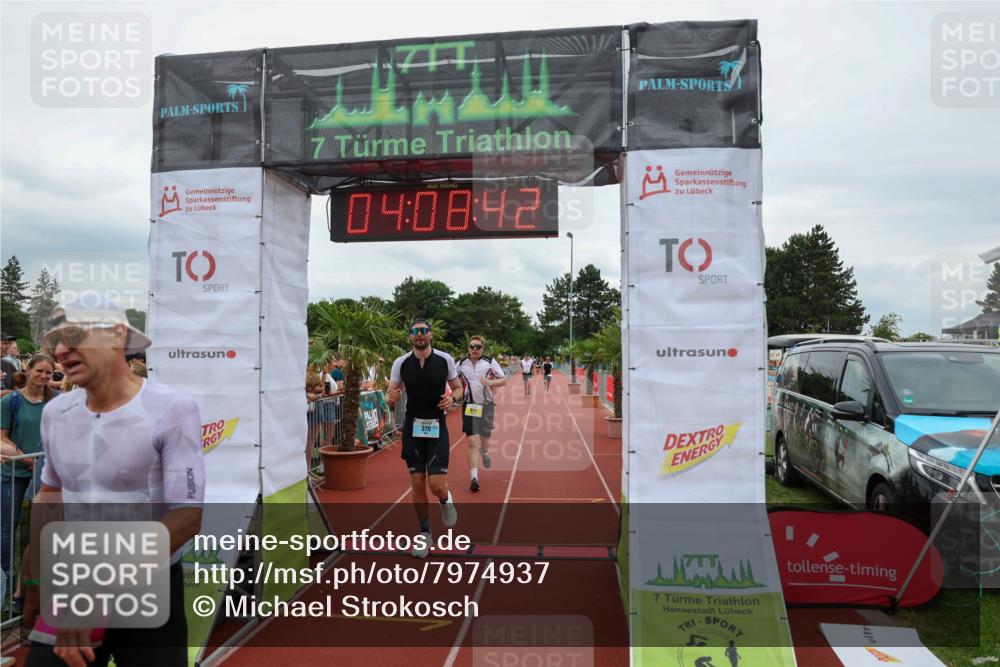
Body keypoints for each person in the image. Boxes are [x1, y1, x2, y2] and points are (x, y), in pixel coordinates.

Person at [22, 298, 204, 667]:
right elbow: (50, 494)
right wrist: (36, 581)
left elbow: (187, 517)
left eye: (73, 336)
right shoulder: (56, 412)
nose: (60, 351)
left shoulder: (173, 409)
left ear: (117, 337)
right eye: (55, 341)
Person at [385, 318, 462, 558]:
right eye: (415, 331)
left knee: (436, 484)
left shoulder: (444, 359)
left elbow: (458, 388)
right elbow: (391, 393)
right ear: (410, 336)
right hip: (412, 425)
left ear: (431, 334)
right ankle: (424, 533)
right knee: (417, 482)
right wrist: (391, 399)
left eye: (424, 331)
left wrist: (453, 399)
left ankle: (444, 498)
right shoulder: (401, 363)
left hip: (437, 424)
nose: (420, 335)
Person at [0, 354, 57, 599]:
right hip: (12, 473)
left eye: (49, 373)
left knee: (40, 531)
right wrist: (25, 457)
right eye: (40, 371)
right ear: (29, 370)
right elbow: (2, 436)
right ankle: (6, 584)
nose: (44, 376)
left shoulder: (56, 403)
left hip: (44, 477)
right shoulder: (11, 401)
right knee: (6, 530)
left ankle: (27, 588)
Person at [457, 336, 506, 492]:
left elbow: (503, 379)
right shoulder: (461, 364)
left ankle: (484, 452)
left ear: (482, 348)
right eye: (472, 346)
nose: (475, 349)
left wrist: (490, 382)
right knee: (472, 441)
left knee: (485, 439)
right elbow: (450, 378)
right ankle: (474, 478)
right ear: (468, 348)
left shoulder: (490, 362)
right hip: (470, 405)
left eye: (478, 347)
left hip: (486, 405)